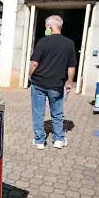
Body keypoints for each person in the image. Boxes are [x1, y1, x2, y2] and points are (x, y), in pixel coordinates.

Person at [29, 15, 77, 150]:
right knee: (57, 113)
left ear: (50, 27)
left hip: (39, 83)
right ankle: (58, 139)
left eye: (46, 27)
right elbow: (71, 67)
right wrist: (69, 82)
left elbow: (34, 63)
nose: (46, 29)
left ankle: (39, 141)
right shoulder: (69, 43)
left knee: (38, 113)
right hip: (57, 84)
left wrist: (29, 75)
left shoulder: (43, 42)